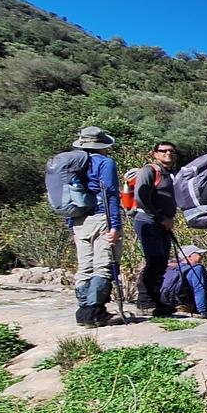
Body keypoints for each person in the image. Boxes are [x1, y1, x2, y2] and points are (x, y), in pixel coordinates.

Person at [69, 125, 122, 327]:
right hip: (102, 218)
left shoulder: (73, 164)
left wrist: (70, 224)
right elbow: (110, 194)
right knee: (103, 266)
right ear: (102, 144)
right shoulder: (105, 163)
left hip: (79, 220)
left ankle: (83, 312)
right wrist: (114, 225)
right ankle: (95, 312)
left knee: (85, 267)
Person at [131, 141, 179, 316]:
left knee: (161, 261)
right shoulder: (149, 171)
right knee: (155, 260)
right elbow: (140, 197)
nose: (168, 154)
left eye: (171, 151)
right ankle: (145, 301)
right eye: (163, 151)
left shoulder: (168, 173)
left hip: (161, 223)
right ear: (155, 153)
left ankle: (155, 300)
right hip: (148, 221)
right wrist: (160, 217)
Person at [160, 244, 207, 317]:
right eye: (199, 254)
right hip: (195, 306)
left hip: (177, 303)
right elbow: (199, 289)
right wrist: (203, 311)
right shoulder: (196, 268)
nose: (202, 256)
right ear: (189, 257)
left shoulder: (174, 267)